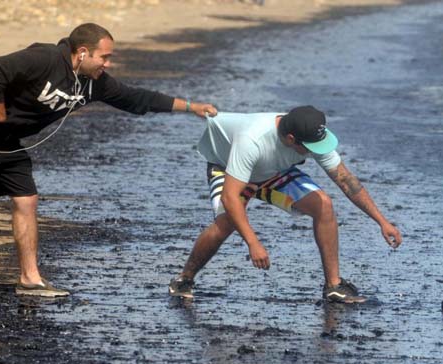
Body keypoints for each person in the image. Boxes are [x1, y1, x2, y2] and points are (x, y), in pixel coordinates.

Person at [0, 23, 217, 297]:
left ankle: (30, 279)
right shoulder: (44, 59)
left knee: (26, 199)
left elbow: (137, 98)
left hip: (6, 139)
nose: (108, 64)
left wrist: (191, 107)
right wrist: (1, 116)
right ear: (82, 52)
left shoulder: (94, 84)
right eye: (104, 57)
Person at [168, 105, 401, 303]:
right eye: (310, 147)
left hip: (273, 171)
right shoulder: (252, 139)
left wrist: (381, 221)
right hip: (227, 166)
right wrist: (253, 242)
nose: (316, 151)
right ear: (291, 139)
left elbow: (345, 180)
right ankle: (184, 279)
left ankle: (334, 286)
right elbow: (231, 197)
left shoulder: (308, 133)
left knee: (324, 205)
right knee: (227, 222)